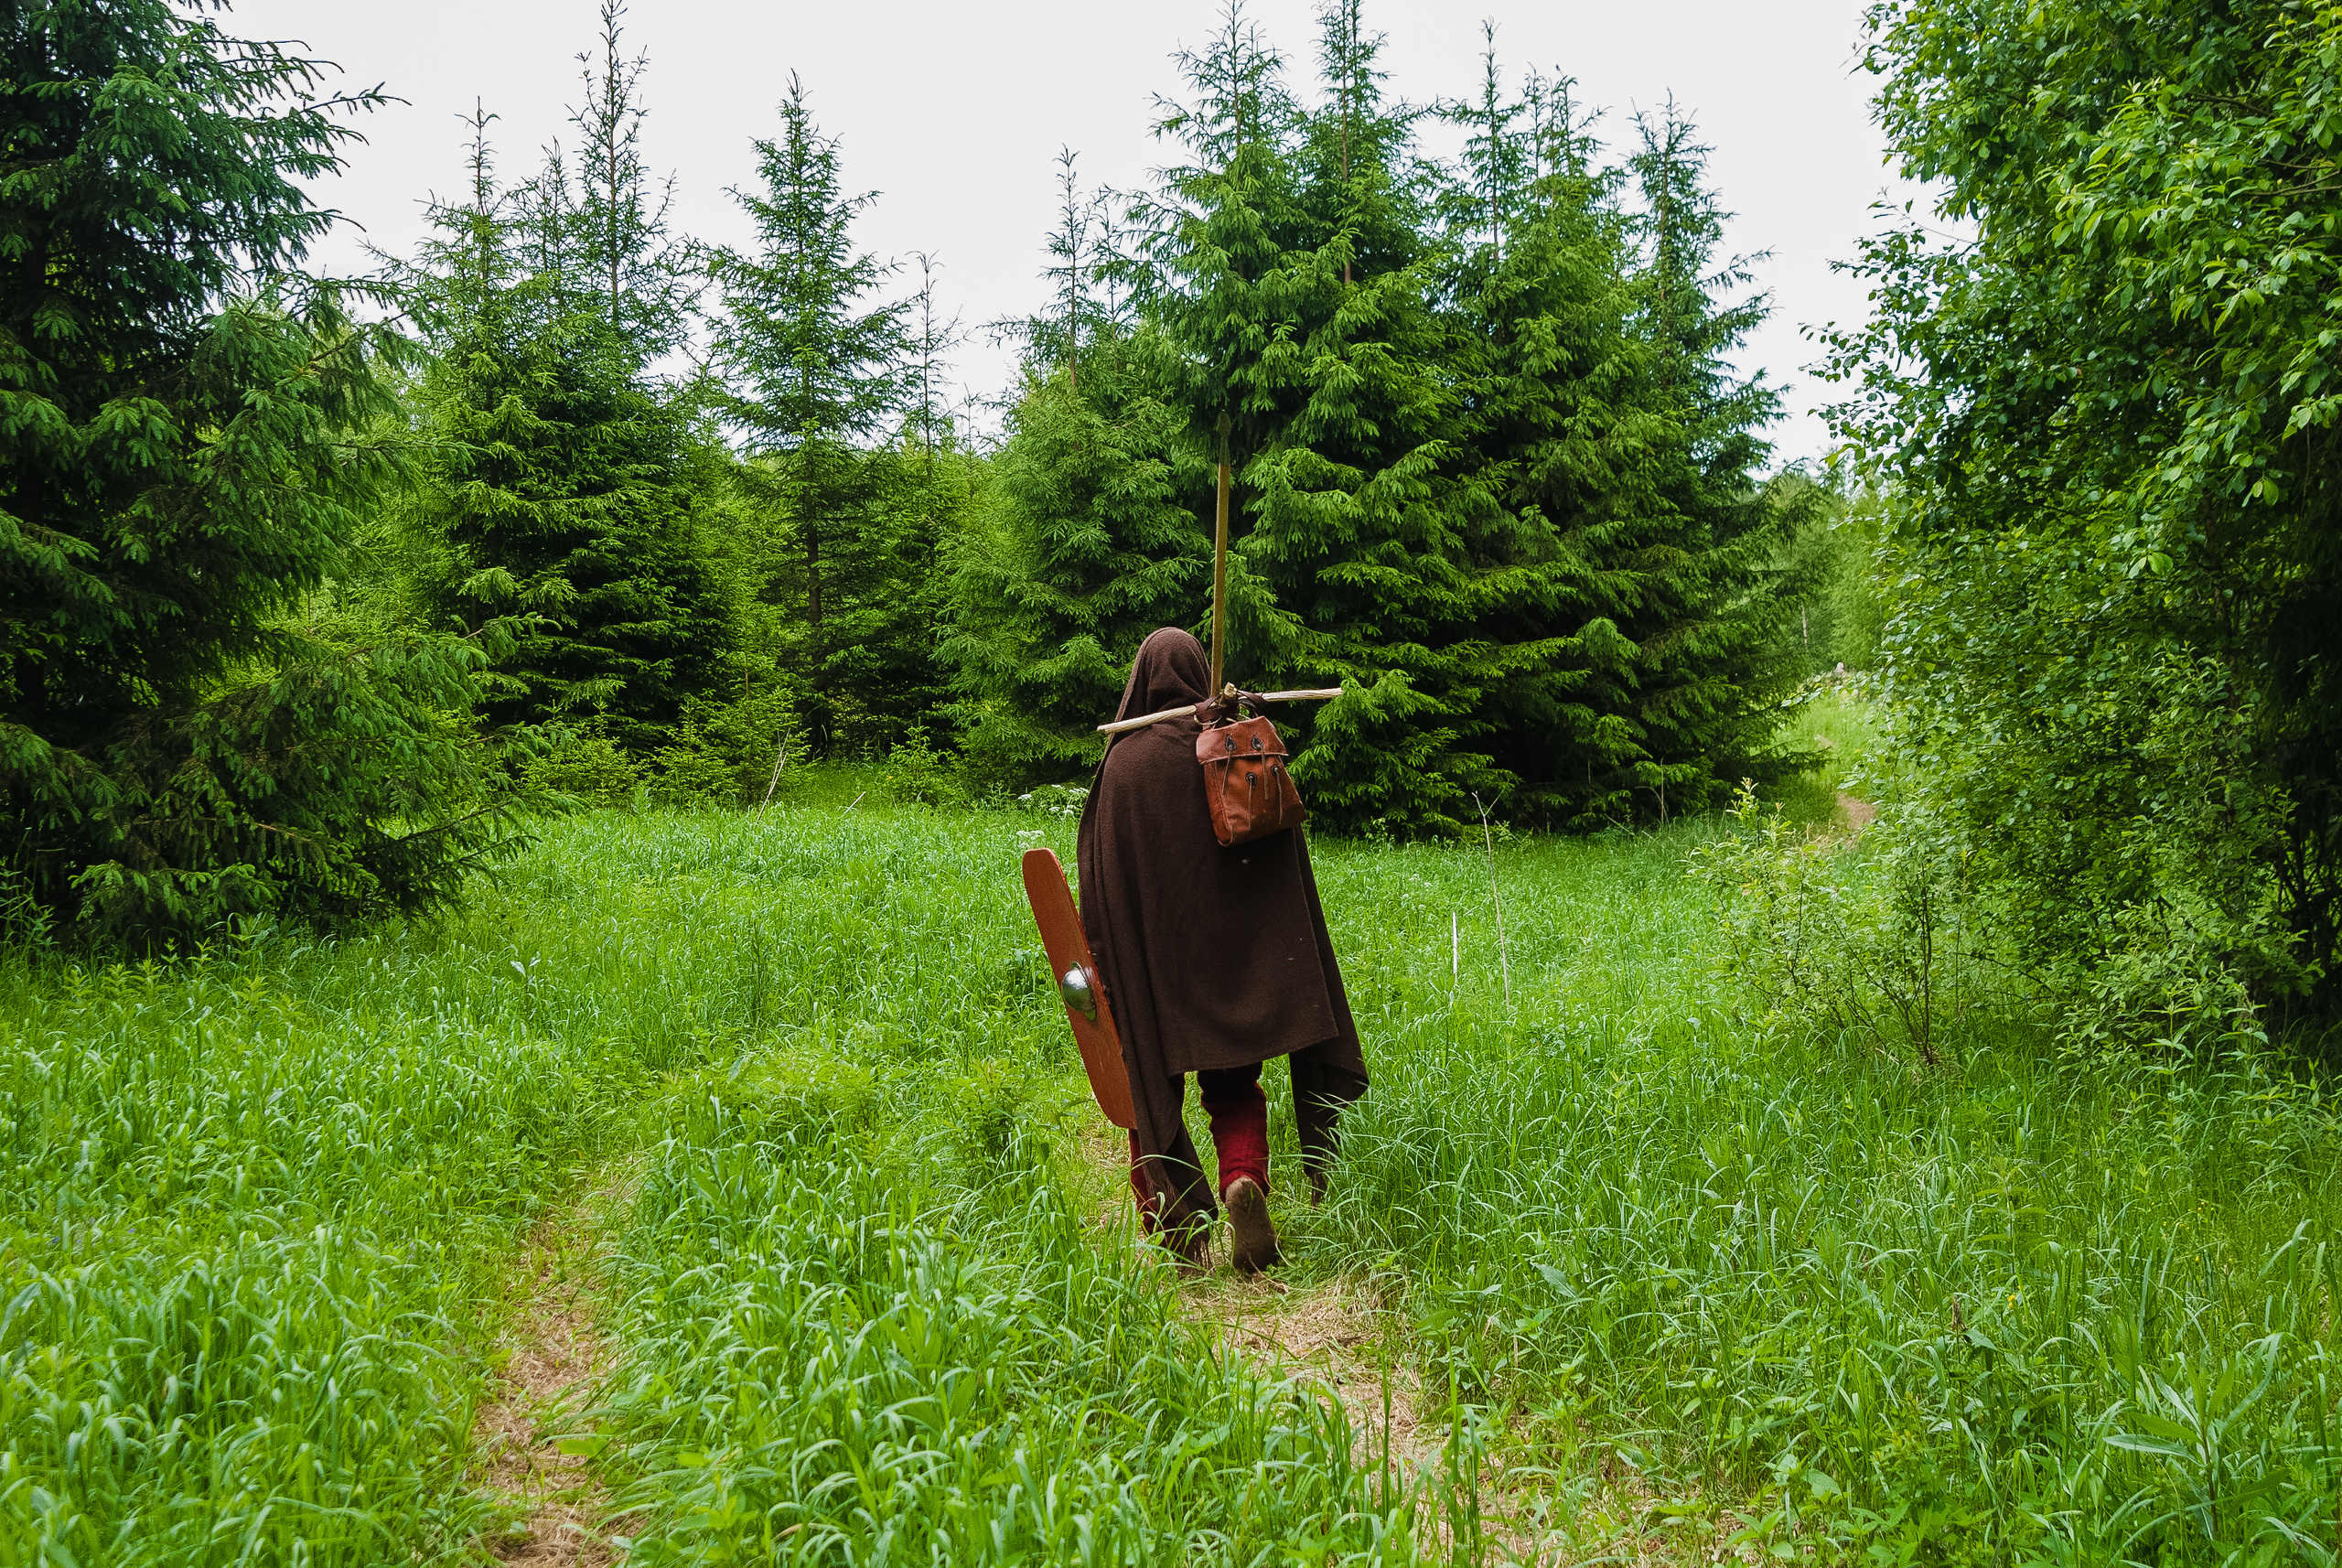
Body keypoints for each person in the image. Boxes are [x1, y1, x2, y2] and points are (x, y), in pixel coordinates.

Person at [1076, 628, 1370, 1272]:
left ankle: (1179, 1236)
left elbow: (1099, 878)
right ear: (1198, 673)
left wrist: (1107, 964)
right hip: (1233, 965)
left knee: (1147, 1095)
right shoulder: (1235, 751)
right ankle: (1243, 1179)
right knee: (1235, 1084)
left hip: (1155, 974)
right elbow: (1280, 863)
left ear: (1140, 681)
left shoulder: (1124, 768)